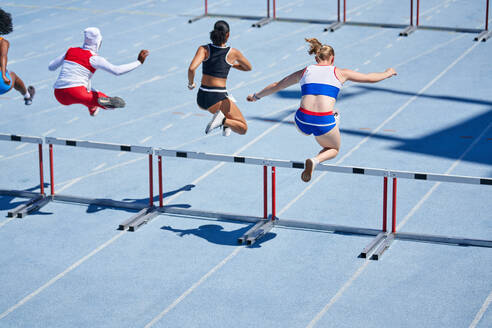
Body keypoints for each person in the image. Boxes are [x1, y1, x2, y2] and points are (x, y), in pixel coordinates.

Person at [247, 38, 397, 182]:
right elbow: (370, 78)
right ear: (332, 58)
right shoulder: (340, 72)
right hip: (323, 122)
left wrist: (256, 96)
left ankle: (329, 122)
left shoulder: (305, 71)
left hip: (301, 120)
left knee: (328, 113)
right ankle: (315, 160)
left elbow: (277, 85)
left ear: (316, 58)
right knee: (333, 148)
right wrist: (388, 72)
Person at [48, 27, 149, 116]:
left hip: (59, 94)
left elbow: (51, 67)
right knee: (105, 101)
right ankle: (101, 104)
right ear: (98, 42)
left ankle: (92, 107)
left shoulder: (70, 50)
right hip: (77, 92)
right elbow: (117, 71)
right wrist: (139, 62)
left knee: (87, 86)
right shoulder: (94, 59)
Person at [188, 20, 252, 136]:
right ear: (228, 34)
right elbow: (248, 67)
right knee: (243, 128)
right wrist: (230, 64)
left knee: (229, 98)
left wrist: (191, 84)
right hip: (216, 98)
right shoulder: (232, 53)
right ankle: (222, 120)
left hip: (201, 98)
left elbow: (191, 69)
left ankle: (225, 122)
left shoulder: (203, 49)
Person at [0, 8, 35, 105]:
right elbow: (3, 57)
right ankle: (27, 97)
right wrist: (3, 75)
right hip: (2, 84)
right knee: (13, 76)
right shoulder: (3, 42)